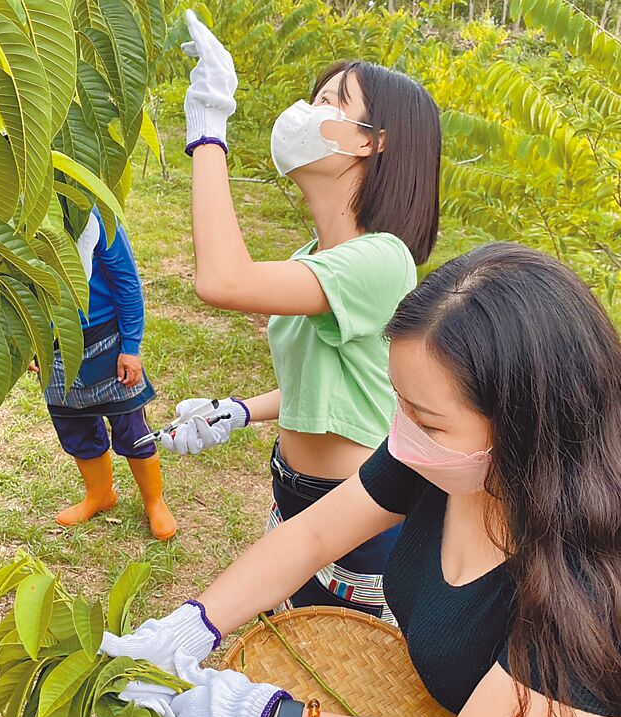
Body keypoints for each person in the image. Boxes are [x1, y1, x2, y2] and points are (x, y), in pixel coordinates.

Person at [101, 243, 621, 717]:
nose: (400, 435)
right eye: (400, 402)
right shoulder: (439, 460)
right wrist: (196, 622)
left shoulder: (605, 593)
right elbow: (312, 536)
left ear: (529, 428)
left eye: (427, 419)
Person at [157, 11, 442, 620]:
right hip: (292, 496)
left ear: (371, 139)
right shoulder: (316, 258)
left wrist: (208, 129)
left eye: (331, 102)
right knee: (289, 654)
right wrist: (238, 411)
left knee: (342, 677)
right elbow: (324, 387)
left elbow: (222, 280)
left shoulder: (382, 260)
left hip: (358, 517)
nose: (306, 113)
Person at [43, 208, 175, 540]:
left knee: (131, 428)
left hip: (108, 340)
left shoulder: (95, 217)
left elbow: (127, 282)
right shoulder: (24, 217)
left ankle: (154, 501)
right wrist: (33, 346)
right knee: (74, 427)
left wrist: (130, 346)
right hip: (56, 346)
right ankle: (99, 495)